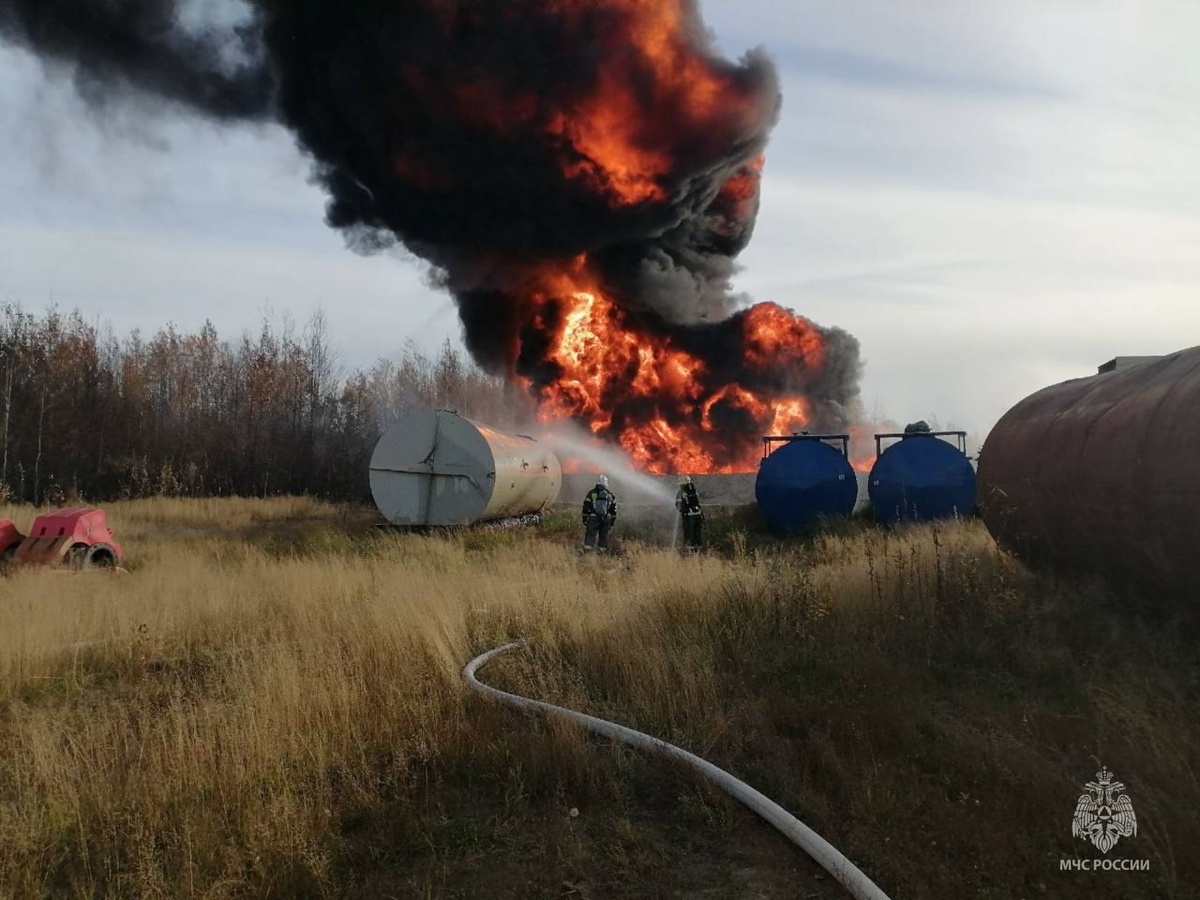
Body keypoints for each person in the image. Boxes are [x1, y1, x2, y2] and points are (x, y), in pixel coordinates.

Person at [581, 475, 618, 551]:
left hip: (593, 517)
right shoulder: (610, 495)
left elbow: (586, 507)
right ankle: (602, 552)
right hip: (606, 518)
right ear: (606, 483)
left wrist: (584, 518)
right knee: (603, 536)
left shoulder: (591, 493)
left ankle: (587, 550)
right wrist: (612, 521)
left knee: (590, 535)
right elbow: (614, 509)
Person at [675, 475, 704, 551]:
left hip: (688, 517)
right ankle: (698, 552)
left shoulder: (681, 492)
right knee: (698, 535)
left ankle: (689, 552)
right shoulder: (694, 491)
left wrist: (684, 510)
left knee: (689, 535)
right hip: (698, 516)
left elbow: (678, 505)